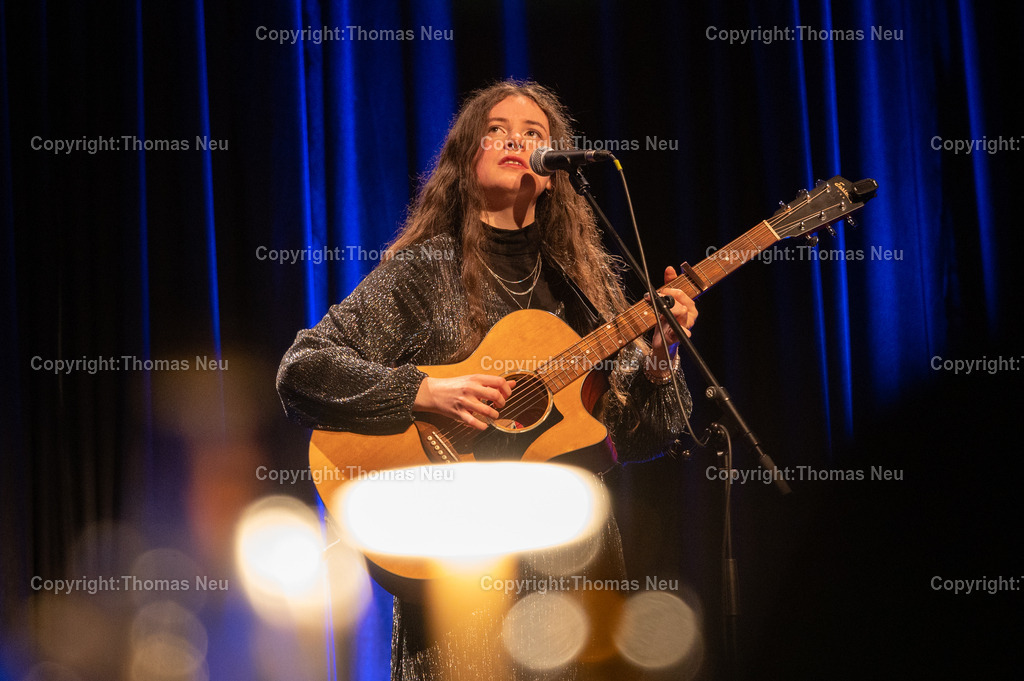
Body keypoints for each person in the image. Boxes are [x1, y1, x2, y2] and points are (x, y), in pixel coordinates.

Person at [277, 79, 698, 680]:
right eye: (496, 131)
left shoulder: (585, 284)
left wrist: (661, 359)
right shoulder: (425, 272)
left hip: (574, 574)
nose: (516, 141)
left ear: (554, 171)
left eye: (535, 135)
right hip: (459, 575)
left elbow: (635, 441)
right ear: (464, 161)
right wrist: (422, 391)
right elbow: (303, 371)